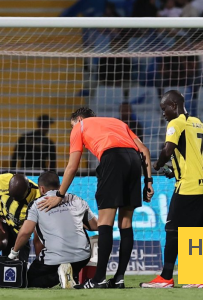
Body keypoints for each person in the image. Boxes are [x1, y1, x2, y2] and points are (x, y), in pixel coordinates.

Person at [39, 107, 154, 289]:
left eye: (71, 125)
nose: (72, 129)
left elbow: (72, 166)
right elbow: (145, 150)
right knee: (125, 223)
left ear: (78, 119)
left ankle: (99, 278)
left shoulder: (81, 126)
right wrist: (148, 182)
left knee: (105, 223)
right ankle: (119, 278)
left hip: (112, 160)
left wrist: (59, 195)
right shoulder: (118, 123)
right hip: (134, 162)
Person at [140, 90, 203, 289]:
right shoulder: (198, 123)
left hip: (189, 186)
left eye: (164, 108)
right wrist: (176, 169)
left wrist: (157, 164)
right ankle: (200, 278)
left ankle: (166, 278)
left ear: (173, 105)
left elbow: (168, 149)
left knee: (173, 230)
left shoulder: (176, 123)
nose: (163, 113)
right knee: (201, 233)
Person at [8, 171, 98, 289]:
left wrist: (14, 252)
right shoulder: (76, 199)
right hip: (82, 257)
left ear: (42, 189)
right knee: (73, 260)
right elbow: (95, 226)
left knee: (28, 280)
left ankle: (59, 275)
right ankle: (70, 275)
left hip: (55, 258)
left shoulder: (36, 205)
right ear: (60, 186)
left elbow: (25, 232)